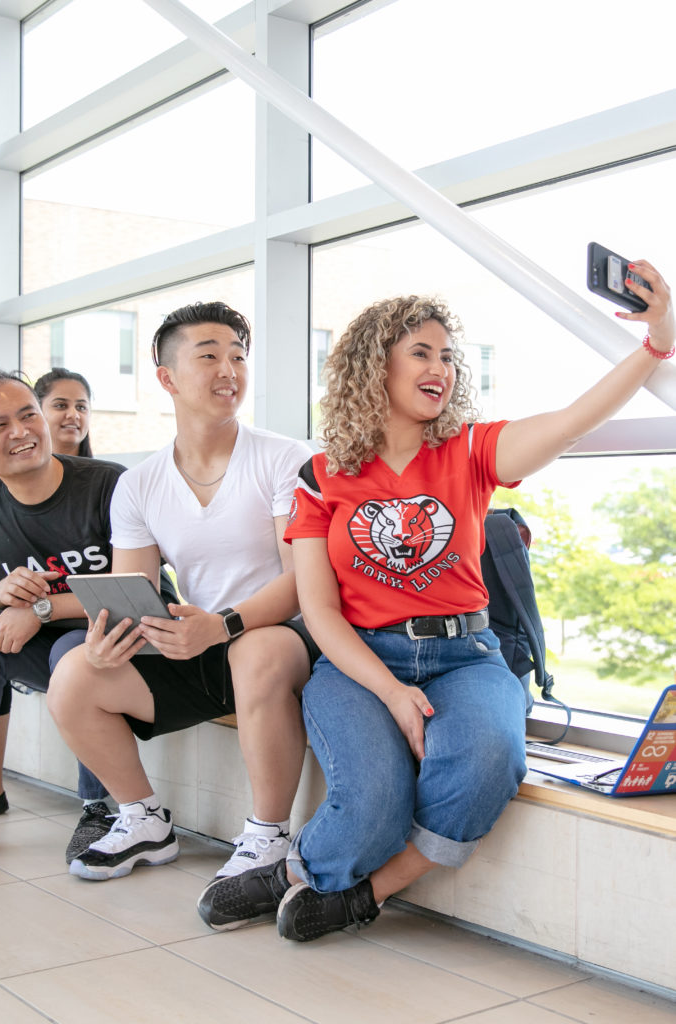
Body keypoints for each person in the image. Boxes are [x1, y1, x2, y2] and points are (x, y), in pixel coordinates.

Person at [198, 259, 675, 941]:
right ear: (375, 366)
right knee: (372, 805)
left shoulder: (470, 451)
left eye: (447, 356)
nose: (441, 368)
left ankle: (358, 892)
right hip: (359, 658)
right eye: (420, 352)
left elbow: (572, 422)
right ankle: (302, 869)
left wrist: (656, 343)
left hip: (467, 655)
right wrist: (390, 693)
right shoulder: (320, 476)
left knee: (487, 762)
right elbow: (320, 612)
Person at [47, 300, 319, 882]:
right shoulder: (139, 485)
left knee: (258, 649)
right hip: (200, 644)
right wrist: (107, 641)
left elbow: (304, 583)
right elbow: (135, 595)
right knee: (73, 673)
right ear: (167, 377)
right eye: (210, 356)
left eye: (239, 356)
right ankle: (142, 818)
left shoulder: (283, 459)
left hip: (282, 639)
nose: (230, 370)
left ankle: (268, 837)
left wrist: (222, 625)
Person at [0, 370, 127, 859]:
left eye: (27, 415)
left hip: (128, 635)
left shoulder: (107, 484)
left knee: (74, 650)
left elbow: (136, 588)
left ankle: (99, 807)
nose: (20, 431)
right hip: (46, 644)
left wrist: (40, 610)